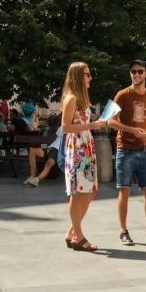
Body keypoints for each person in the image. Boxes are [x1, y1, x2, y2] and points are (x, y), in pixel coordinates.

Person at [107, 59, 146, 246]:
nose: (136, 75)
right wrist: (131, 130)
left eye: (139, 71)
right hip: (125, 150)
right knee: (124, 190)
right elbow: (110, 121)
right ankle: (123, 231)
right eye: (133, 72)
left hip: (145, 150)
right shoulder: (122, 95)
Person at [60, 62, 105, 250]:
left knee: (90, 190)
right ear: (78, 76)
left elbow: (80, 122)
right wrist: (91, 126)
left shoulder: (81, 98)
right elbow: (65, 127)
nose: (90, 77)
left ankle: (72, 232)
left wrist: (94, 124)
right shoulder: (71, 98)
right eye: (87, 74)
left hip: (85, 146)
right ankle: (78, 236)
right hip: (77, 148)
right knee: (78, 192)